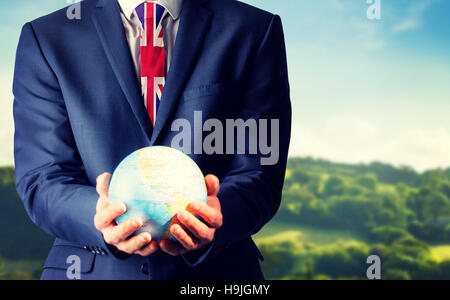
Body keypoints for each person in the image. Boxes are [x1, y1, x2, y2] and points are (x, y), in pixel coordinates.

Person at [13, 0, 291, 280]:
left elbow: (261, 172)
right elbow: (42, 178)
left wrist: (218, 216)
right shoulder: (47, 37)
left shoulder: (253, 29)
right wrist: (98, 218)